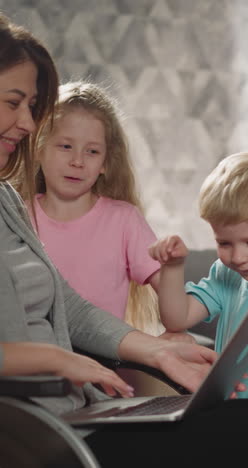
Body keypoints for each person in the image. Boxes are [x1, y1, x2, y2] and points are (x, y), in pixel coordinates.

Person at [0, 13, 248, 468]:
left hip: (79, 408)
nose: (27, 122)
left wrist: (157, 350)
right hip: (32, 426)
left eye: (32, 105)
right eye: (13, 102)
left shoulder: (6, 202)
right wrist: (57, 359)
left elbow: (70, 305)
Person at [23, 79, 174, 336]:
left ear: (105, 162)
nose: (78, 161)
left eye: (92, 151)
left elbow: (175, 309)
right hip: (34, 361)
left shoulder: (124, 220)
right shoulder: (18, 217)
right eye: (66, 146)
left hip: (103, 363)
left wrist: (175, 267)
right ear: (39, 148)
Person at [149, 151, 248, 399]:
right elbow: (177, 320)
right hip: (230, 410)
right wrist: (172, 268)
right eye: (224, 243)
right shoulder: (226, 274)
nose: (237, 257)